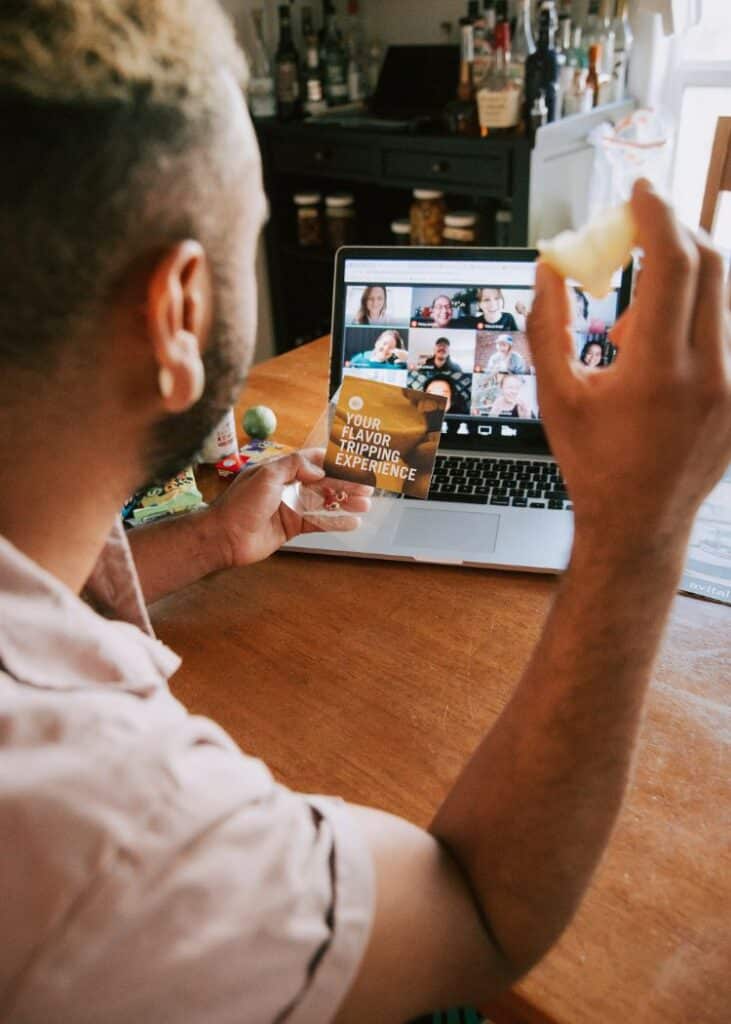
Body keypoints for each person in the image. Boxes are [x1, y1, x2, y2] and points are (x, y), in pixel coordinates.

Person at [1, 5, 730, 1024]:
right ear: (176, 314)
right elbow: (474, 912)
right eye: (250, 233)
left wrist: (209, 539)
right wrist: (639, 530)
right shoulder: (128, 830)